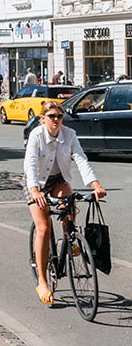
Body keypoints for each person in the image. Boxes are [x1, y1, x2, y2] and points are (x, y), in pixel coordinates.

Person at [24, 101, 106, 306]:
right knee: (43, 227)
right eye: (51, 116)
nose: (56, 120)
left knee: (69, 201)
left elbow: (81, 159)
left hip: (59, 180)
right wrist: (34, 190)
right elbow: (31, 164)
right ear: (43, 118)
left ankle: (71, 238)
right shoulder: (36, 135)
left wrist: (95, 185)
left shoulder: (69, 134)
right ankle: (43, 282)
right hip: (35, 182)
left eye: (59, 116)